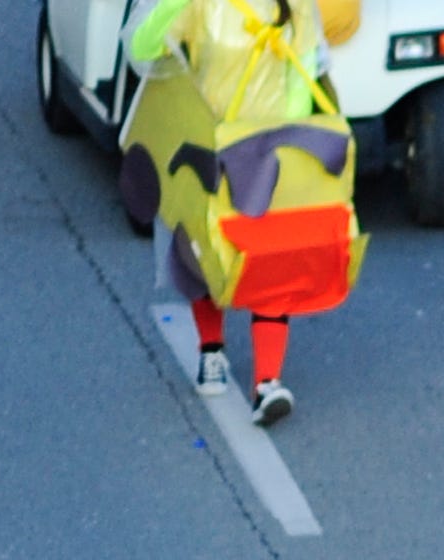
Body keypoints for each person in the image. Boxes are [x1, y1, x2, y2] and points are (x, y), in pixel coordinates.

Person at [128, 0, 331, 424]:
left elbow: (305, 67)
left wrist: (283, 139)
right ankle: (211, 350)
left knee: (272, 260)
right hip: (207, 139)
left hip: (265, 147)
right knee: (204, 252)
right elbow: (145, 50)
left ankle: (267, 383)